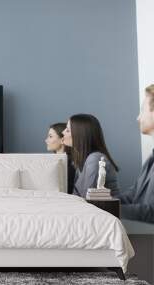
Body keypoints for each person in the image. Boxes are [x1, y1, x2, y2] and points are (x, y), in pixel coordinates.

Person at [119, 84, 154, 223]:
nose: (138, 118)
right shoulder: (151, 157)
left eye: (142, 111)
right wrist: (100, 204)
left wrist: (109, 210)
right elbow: (133, 195)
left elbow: (152, 212)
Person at [62, 114, 119, 198]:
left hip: (104, 210)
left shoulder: (95, 159)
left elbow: (87, 198)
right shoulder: (82, 160)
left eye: (67, 130)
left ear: (80, 134)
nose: (63, 132)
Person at [45, 122, 75, 194]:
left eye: (50, 136)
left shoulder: (71, 165)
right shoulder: (52, 162)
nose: (46, 140)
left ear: (62, 140)